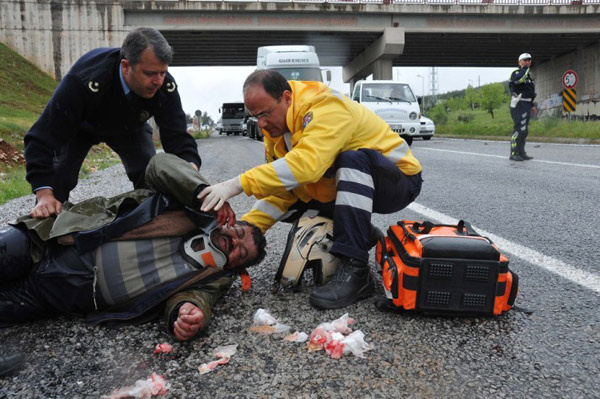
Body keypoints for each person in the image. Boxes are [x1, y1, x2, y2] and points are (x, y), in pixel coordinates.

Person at [199, 70, 423, 310]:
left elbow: (308, 165)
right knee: (295, 191)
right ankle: (362, 232)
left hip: (397, 180)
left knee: (352, 159)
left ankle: (356, 268)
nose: (261, 124)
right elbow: (286, 188)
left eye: (265, 114)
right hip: (347, 186)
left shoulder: (326, 106)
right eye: (255, 117)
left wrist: (236, 184)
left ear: (286, 98)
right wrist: (249, 228)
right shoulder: (276, 131)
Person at [0, 154, 266, 341]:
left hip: (57, 297)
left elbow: (197, 300)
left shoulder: (213, 279)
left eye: (240, 252)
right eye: (239, 232)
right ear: (231, 221)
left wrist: (187, 313)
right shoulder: (187, 205)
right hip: (46, 241)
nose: (235, 242)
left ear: (235, 267)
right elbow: (159, 164)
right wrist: (202, 194)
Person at [24, 27, 202, 219]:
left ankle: (148, 225)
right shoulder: (85, 79)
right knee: (59, 177)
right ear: (126, 66)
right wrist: (43, 194)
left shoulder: (164, 86)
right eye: (150, 73)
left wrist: (189, 171)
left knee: (150, 175)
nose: (157, 81)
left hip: (130, 128)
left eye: (162, 73)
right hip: (81, 127)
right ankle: (48, 228)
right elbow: (40, 137)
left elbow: (177, 137)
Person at [509, 52, 537, 161]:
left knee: (524, 130)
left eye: (529, 60)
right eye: (525, 60)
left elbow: (530, 91)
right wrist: (524, 69)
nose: (527, 62)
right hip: (518, 103)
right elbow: (518, 81)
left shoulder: (529, 76)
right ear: (519, 62)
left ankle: (521, 152)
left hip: (526, 103)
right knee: (519, 128)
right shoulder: (516, 73)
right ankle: (514, 152)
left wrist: (532, 105)